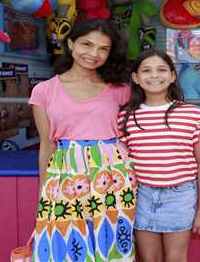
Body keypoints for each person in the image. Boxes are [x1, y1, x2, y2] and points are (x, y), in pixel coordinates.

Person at [29, 19, 137, 261]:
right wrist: (43, 191)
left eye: (103, 48)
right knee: (64, 245)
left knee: (110, 243)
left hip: (113, 175)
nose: (93, 54)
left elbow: (153, 116)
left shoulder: (121, 89)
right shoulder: (44, 90)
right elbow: (47, 145)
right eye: (86, 44)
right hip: (65, 174)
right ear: (70, 43)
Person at [118, 49, 200, 262]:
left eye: (161, 70)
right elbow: (123, 164)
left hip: (179, 196)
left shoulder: (193, 114)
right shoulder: (125, 116)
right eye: (146, 70)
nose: (154, 76)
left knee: (176, 258)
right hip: (141, 195)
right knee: (149, 258)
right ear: (135, 77)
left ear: (172, 76)